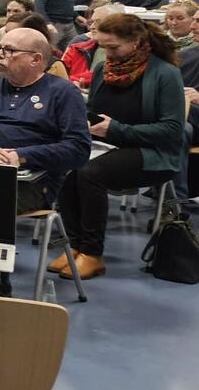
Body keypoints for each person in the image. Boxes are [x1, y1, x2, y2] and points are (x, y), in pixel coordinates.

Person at [54, 14, 185, 280]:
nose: (108, 54)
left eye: (113, 47)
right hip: (105, 145)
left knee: (90, 173)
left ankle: (93, 253)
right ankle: (75, 247)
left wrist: (115, 130)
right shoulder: (104, 69)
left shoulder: (165, 74)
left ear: (136, 42)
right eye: (103, 47)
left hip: (153, 153)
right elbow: (95, 110)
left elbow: (171, 130)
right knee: (67, 167)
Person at [0, 27, 91, 226]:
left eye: (9, 50)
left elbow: (78, 149)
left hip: (30, 181)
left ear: (36, 59)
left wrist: (21, 155)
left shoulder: (63, 93)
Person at [63, 3, 125, 89]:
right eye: (92, 22)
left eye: (98, 22)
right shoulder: (77, 49)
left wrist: (75, 81)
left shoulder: (128, 53)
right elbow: (58, 75)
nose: (92, 27)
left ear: (117, 25)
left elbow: (110, 73)